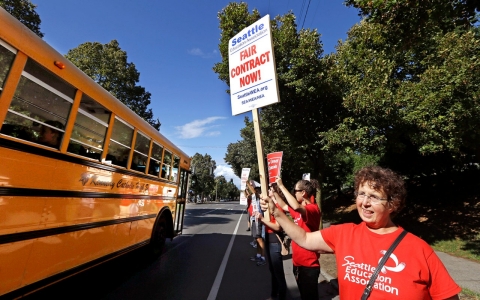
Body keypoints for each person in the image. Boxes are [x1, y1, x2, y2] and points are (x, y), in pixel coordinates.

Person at [261, 166, 461, 300]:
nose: (364, 202)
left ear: (393, 204)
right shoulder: (344, 233)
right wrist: (277, 212)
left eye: (374, 197)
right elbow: (304, 238)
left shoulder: (419, 249)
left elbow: (449, 296)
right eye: (361, 194)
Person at [273, 178, 321, 300]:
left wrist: (282, 186)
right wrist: (274, 192)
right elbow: (284, 206)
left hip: (309, 265)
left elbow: (294, 205)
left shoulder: (312, 209)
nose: (294, 193)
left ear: (303, 193)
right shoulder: (299, 212)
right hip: (298, 263)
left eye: (295, 191)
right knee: (303, 295)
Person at [256, 184, 287, 300]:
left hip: (275, 241)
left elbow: (278, 227)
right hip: (269, 240)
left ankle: (282, 297)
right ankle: (274, 295)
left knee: (278, 273)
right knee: (272, 271)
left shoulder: (279, 206)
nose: (268, 191)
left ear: (275, 192)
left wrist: (262, 219)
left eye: (270, 189)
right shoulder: (270, 204)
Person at [247, 180, 266, 266]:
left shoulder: (259, 196)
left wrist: (247, 182)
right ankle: (258, 255)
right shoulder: (254, 197)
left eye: (255, 189)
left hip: (259, 220)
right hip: (254, 219)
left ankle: (263, 257)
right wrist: (246, 187)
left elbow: (253, 191)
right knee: (257, 239)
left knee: (260, 239)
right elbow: (247, 194)